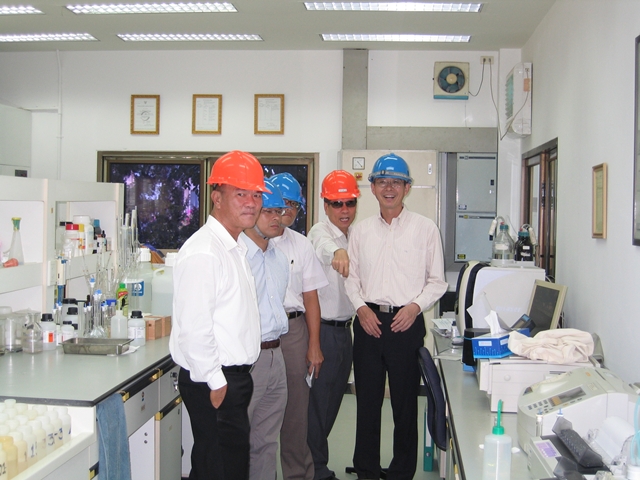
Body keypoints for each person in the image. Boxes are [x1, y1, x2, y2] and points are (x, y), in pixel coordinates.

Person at [345, 153, 447, 480]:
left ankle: (402, 472)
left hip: (407, 324)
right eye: (382, 182)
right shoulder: (360, 232)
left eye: (396, 182)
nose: (389, 188)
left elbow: (438, 282)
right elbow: (352, 279)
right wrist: (360, 307)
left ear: (407, 188)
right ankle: (367, 471)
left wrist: (415, 307)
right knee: (367, 404)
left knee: (405, 405)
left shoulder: (425, 229)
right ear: (373, 187)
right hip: (368, 323)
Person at [169, 150, 270, 480]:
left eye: (256, 195)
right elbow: (194, 327)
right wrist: (216, 381)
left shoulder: (233, 247)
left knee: (218, 466)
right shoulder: (205, 251)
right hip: (215, 380)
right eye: (241, 194)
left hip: (230, 379)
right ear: (217, 197)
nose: (251, 203)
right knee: (222, 468)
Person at [270, 172, 328, 480]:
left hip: (293, 333)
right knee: (260, 415)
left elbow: (311, 299)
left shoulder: (302, 245)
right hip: (260, 333)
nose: (287, 210)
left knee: (295, 416)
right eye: (282, 203)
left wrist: (314, 345)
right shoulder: (248, 240)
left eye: (294, 204)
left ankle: (297, 475)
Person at [307, 170, 360, 480]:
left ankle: (314, 465)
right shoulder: (320, 232)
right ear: (325, 205)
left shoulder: (354, 235)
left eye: (350, 203)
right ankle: (315, 470)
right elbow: (325, 248)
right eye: (337, 203)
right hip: (323, 331)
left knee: (332, 403)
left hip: (345, 331)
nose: (344, 210)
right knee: (317, 407)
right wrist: (338, 252)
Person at [241, 179, 290, 480]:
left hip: (275, 355)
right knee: (237, 441)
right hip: (247, 359)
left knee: (267, 442)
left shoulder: (280, 259)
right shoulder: (237, 257)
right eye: (268, 211)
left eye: (279, 211)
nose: (276, 218)